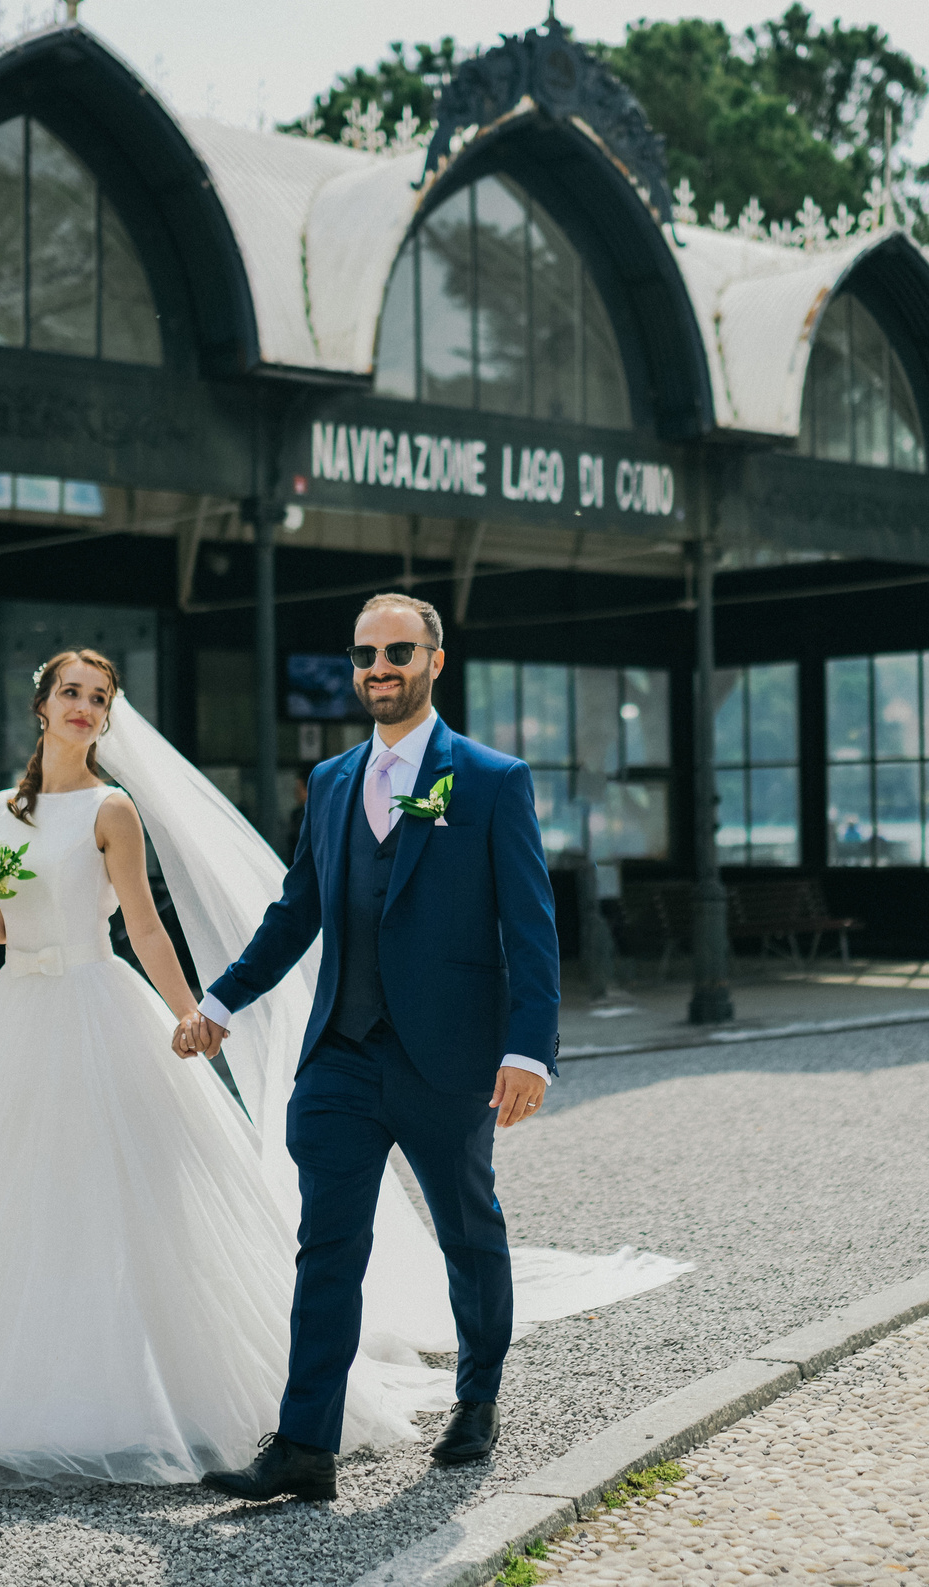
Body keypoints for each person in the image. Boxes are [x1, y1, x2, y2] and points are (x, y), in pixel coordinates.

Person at [0, 639, 680, 1492]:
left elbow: (144, 926)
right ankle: (210, 1424)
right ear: (43, 705)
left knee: (443, 1227)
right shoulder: (9, 812)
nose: (84, 707)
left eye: (98, 696)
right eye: (71, 692)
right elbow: (17, 929)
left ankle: (446, 1403)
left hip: (267, 1033)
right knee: (61, 1201)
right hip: (72, 1031)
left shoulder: (120, 809)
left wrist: (194, 1010)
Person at [182, 593, 558, 1503]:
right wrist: (223, 997)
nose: (377, 669)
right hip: (344, 1056)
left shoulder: (493, 779)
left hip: (449, 1061)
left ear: (435, 660)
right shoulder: (331, 782)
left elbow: (532, 927)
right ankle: (306, 1446)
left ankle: (478, 1398)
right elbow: (297, 912)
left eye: (397, 651)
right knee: (328, 1246)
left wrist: (529, 1050)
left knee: (470, 1233)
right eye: (363, 655)